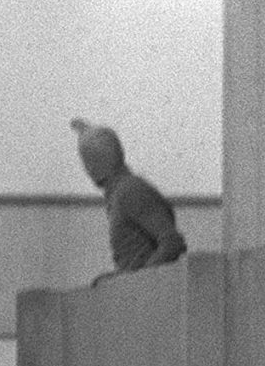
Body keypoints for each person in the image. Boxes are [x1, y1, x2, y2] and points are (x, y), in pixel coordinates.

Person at [70, 118, 187, 284]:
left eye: (88, 161)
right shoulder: (119, 193)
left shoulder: (131, 191)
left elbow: (172, 243)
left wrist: (134, 283)